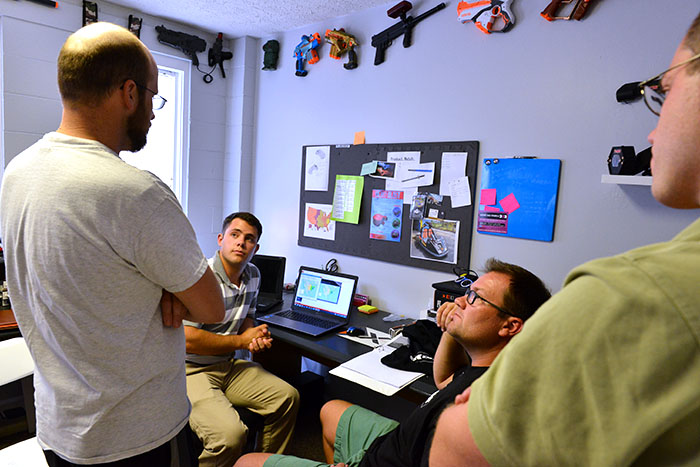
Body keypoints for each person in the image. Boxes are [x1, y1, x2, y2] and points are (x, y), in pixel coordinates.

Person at [430, 13, 700, 466]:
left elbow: (457, 447)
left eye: (665, 91)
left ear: (510, 325)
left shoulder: (634, 290)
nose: (652, 133)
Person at [0, 22, 225, 466]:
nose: (155, 112)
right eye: (153, 96)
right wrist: (166, 288)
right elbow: (212, 309)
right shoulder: (135, 193)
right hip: (136, 438)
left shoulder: (17, 172)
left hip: (59, 430)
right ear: (128, 93)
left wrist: (155, 286)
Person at [234, 258, 551, 467]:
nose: (459, 300)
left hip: (397, 458)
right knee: (329, 409)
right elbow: (443, 381)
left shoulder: (482, 404)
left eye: (475, 298)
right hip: (396, 442)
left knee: (245, 463)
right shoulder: (485, 366)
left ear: (510, 326)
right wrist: (450, 329)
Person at [185, 212, 300, 466]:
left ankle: (264, 462)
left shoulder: (254, 275)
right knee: (230, 436)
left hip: (228, 365)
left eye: (249, 239)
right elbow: (187, 339)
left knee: (287, 397)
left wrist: (253, 336)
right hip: (191, 370)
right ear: (220, 239)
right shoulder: (200, 277)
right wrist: (241, 342)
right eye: (234, 235)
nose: (241, 243)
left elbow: (248, 317)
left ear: (255, 248)